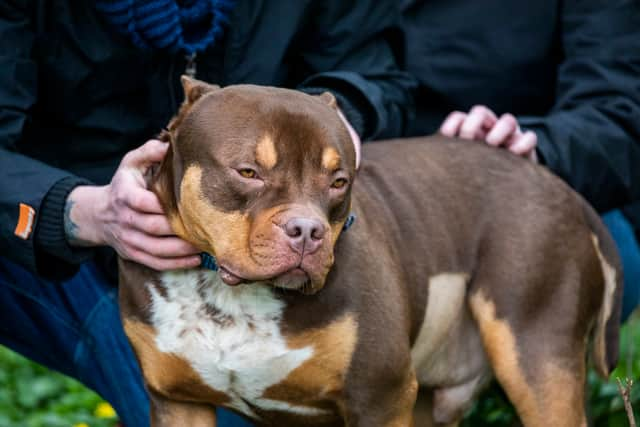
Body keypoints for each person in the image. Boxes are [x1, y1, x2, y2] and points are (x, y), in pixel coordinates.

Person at [0, 1, 416, 426]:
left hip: (284, 268)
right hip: (73, 248)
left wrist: (329, 130)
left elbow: (376, 71)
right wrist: (76, 211)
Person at [401, 0, 640, 320]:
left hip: (535, 179)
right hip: (381, 179)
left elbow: (616, 108)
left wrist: (533, 148)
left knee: (612, 254)